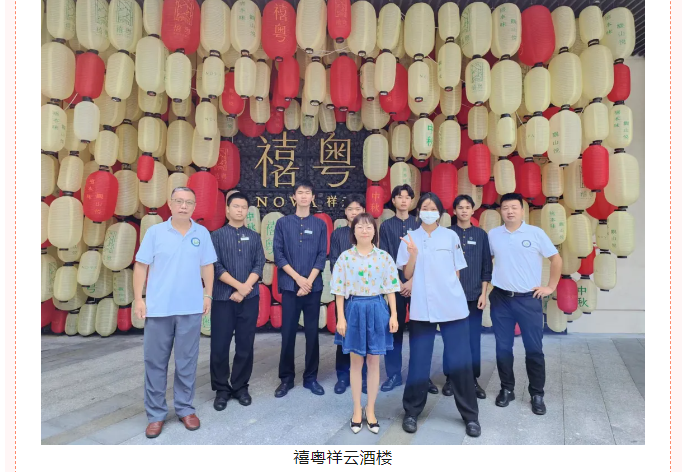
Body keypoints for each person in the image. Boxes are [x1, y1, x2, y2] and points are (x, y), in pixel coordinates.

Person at [133, 187, 217, 439]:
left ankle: (185, 408)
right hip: (159, 308)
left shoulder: (201, 233)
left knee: (187, 362)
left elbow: (207, 266)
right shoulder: (155, 232)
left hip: (190, 308)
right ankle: (155, 414)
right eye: (179, 201)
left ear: (194, 206)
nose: (183, 206)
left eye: (189, 202)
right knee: (155, 363)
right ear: (169, 204)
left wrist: (208, 295)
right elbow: (141, 266)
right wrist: (139, 299)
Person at [397, 192, 481, 437]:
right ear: (418, 211)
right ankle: (411, 412)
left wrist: (447, 288)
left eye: (433, 208)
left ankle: (470, 416)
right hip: (422, 307)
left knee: (460, 362)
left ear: (441, 213)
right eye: (425, 207)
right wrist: (413, 254)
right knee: (418, 361)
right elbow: (407, 274)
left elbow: (457, 270)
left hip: (452, 306)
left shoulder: (450, 235)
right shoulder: (410, 237)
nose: (429, 211)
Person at [488, 193, 562, 416]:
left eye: (514, 207)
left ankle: (537, 393)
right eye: (505, 208)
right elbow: (486, 261)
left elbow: (556, 259)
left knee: (534, 349)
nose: (510, 211)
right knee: (503, 347)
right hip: (501, 298)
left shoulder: (535, 233)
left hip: (529, 299)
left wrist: (550, 287)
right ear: (501, 211)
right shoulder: (493, 235)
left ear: (522, 210)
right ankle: (507, 389)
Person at [331, 213, 400, 434]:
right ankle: (356, 410)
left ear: (374, 231)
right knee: (355, 362)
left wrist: (394, 315)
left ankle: (370, 409)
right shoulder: (345, 258)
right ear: (353, 231)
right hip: (354, 308)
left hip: (378, 307)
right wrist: (340, 317)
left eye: (369, 227)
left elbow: (391, 288)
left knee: (373, 361)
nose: (364, 230)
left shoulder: (384, 257)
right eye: (360, 226)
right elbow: (339, 290)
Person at [378, 184, 438, 395]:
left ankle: (421, 375)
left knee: (420, 331)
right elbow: (384, 257)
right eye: (399, 197)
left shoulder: (420, 224)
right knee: (394, 330)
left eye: (407, 197)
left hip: (419, 285)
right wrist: (398, 283)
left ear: (412, 201)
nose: (403, 200)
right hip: (394, 286)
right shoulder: (386, 226)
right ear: (393, 200)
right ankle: (393, 374)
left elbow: (427, 256)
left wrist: (412, 281)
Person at [209, 192, 266, 411]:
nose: (240, 210)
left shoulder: (254, 236)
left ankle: (241, 386)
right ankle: (221, 389)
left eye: (243, 207)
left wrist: (244, 289)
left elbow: (259, 264)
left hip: (249, 298)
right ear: (227, 210)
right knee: (220, 345)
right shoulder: (216, 236)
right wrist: (237, 286)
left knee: (245, 344)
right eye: (236, 206)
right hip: (223, 298)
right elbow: (215, 266)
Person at [273, 180, 328, 397]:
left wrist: (308, 282)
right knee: (288, 333)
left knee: (312, 334)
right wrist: (298, 279)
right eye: (300, 192)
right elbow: (278, 255)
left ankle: (311, 378)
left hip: (313, 288)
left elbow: (322, 255)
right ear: (293, 197)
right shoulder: (283, 223)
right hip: (290, 287)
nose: (304, 196)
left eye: (308, 193)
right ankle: (286, 379)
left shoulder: (320, 224)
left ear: (313, 198)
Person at [442, 195, 492, 399]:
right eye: (460, 207)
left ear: (473, 210)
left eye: (467, 207)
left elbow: (486, 266)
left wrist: (483, 293)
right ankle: (450, 378)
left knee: (473, 339)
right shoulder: (446, 234)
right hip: (450, 296)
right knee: (451, 338)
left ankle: (472, 379)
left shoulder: (481, 235)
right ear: (454, 211)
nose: (464, 210)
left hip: (473, 295)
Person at [329, 195, 368, 395]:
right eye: (350, 209)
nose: (354, 212)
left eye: (358, 209)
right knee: (344, 334)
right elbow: (334, 263)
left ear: (364, 211)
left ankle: (363, 376)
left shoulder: (369, 232)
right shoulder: (338, 234)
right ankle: (343, 376)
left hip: (366, 295)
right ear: (345, 212)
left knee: (364, 335)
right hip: (345, 294)